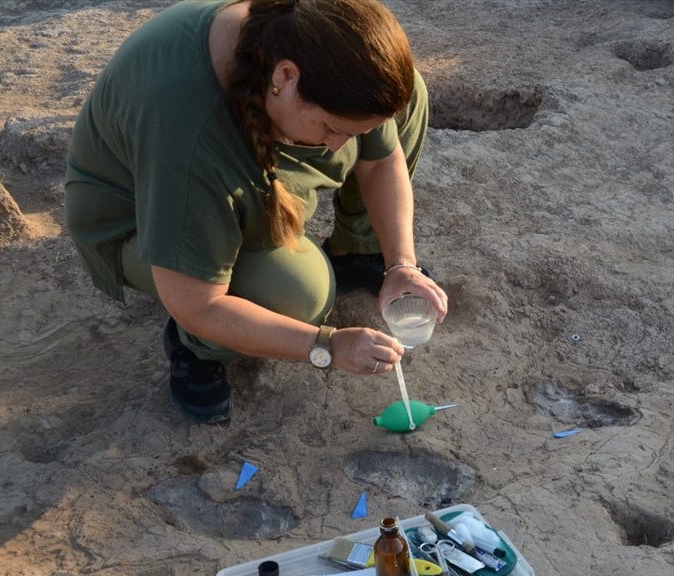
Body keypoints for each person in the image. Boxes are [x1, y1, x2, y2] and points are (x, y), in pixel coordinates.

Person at [65, 0, 447, 423]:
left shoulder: (303, 48)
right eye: (332, 130)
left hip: (241, 145)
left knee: (402, 90)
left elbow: (379, 159)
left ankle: (355, 250)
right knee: (298, 294)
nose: (342, 147)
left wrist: (401, 263)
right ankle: (196, 347)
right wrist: (326, 345)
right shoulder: (190, 139)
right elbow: (201, 305)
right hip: (143, 216)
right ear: (286, 76)